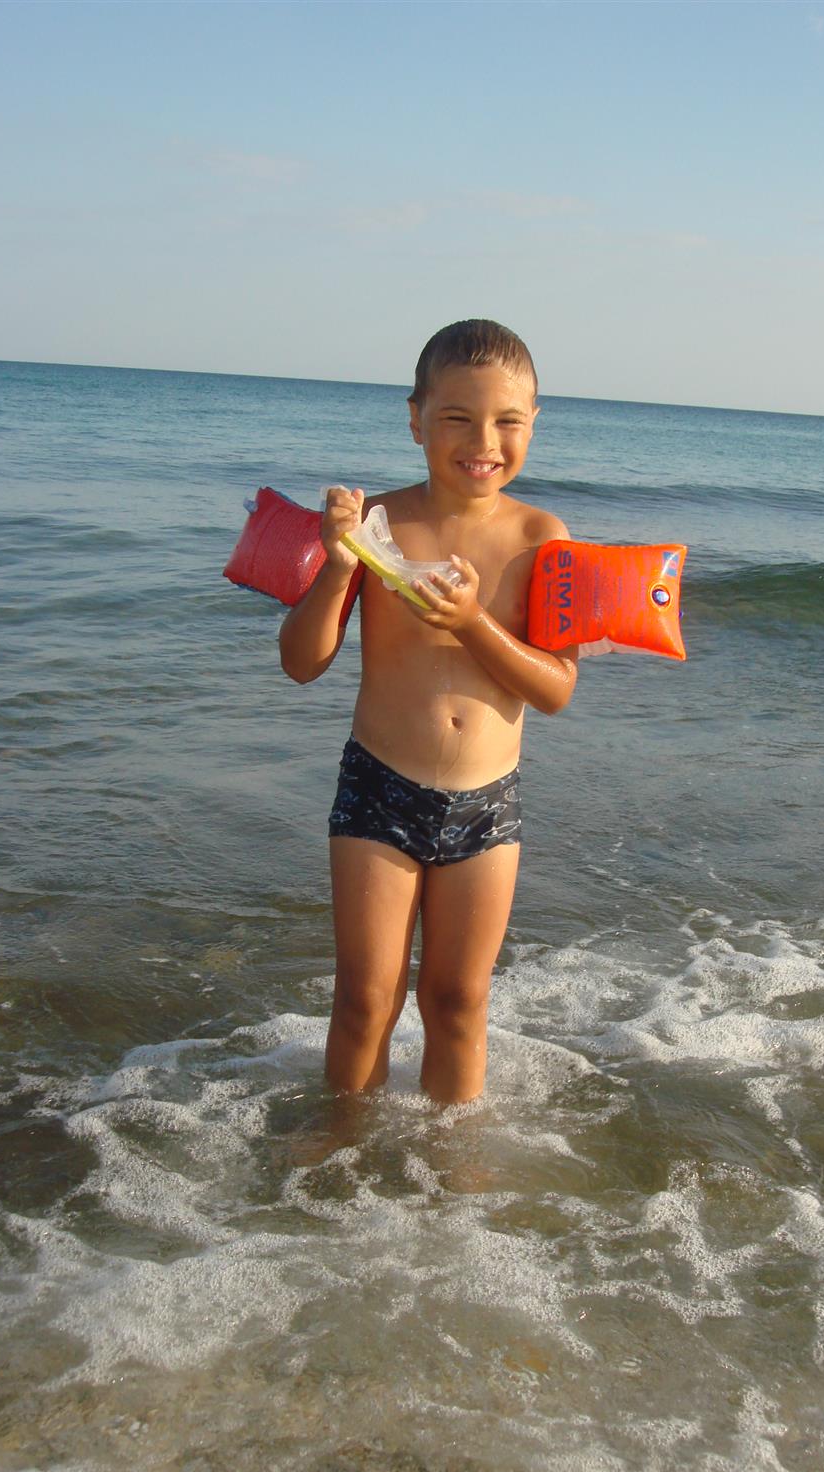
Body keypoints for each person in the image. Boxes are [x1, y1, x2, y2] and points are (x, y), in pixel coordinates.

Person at [278, 319, 578, 1105]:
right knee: (365, 1000)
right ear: (415, 419)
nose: (484, 442)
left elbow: (555, 689)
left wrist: (472, 622)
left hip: (487, 804)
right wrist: (337, 564)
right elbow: (302, 663)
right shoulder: (377, 526)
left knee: (458, 1002)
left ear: (534, 423)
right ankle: (341, 1146)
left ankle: (448, 1165)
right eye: (457, 418)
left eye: (508, 421)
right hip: (379, 788)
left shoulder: (542, 538)